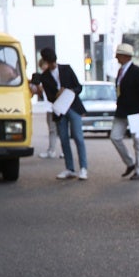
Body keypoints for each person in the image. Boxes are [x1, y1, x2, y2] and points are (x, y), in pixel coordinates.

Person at [36, 48, 88, 180]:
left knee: (78, 136)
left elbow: (79, 87)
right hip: (59, 109)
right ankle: (69, 168)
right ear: (46, 62)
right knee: (64, 138)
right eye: (50, 63)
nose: (53, 65)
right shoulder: (45, 77)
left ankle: (83, 168)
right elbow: (49, 97)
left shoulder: (66, 69)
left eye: (54, 62)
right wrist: (57, 94)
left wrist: (69, 90)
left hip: (73, 106)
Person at [110, 43, 139, 181]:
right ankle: (130, 163)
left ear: (125, 56)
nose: (116, 57)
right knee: (115, 137)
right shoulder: (120, 71)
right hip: (121, 111)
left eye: (118, 55)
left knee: (138, 141)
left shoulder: (137, 71)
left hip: (136, 112)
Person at [29, 69, 62, 160]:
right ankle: (52, 150)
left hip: (55, 107)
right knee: (53, 130)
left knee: (59, 130)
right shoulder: (43, 80)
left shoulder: (48, 80)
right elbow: (39, 94)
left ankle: (55, 151)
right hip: (50, 108)